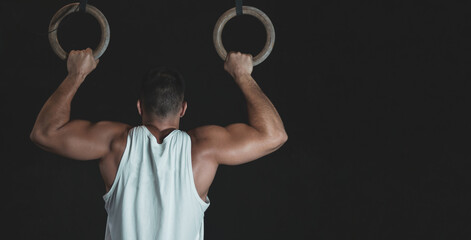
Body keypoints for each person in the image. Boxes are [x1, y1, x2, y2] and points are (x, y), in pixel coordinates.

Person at [30, 48, 287, 240]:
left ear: (140, 106)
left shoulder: (114, 143)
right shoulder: (203, 149)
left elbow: (44, 133)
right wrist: (243, 75)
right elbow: (274, 135)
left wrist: (77, 74)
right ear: (183, 108)